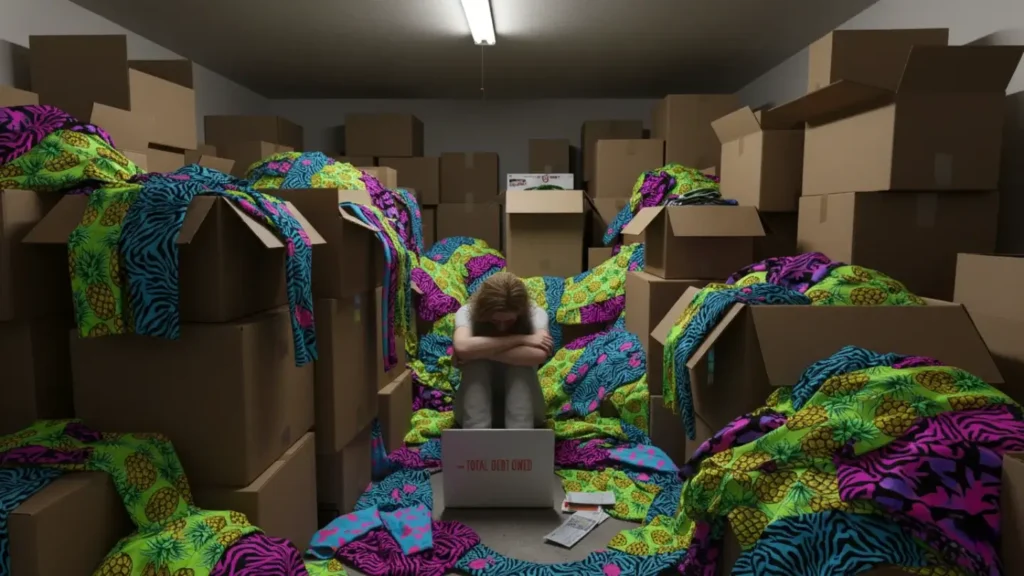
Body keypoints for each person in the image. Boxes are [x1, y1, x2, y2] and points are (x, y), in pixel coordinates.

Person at [452, 272, 552, 429]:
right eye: (494, 320)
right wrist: (521, 340)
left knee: (519, 368)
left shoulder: (536, 314)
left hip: (528, 414)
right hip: (471, 412)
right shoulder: (466, 313)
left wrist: (479, 351)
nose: (502, 327)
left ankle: (519, 441)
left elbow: (538, 355)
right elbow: (463, 347)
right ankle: (476, 437)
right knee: (476, 367)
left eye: (509, 321)